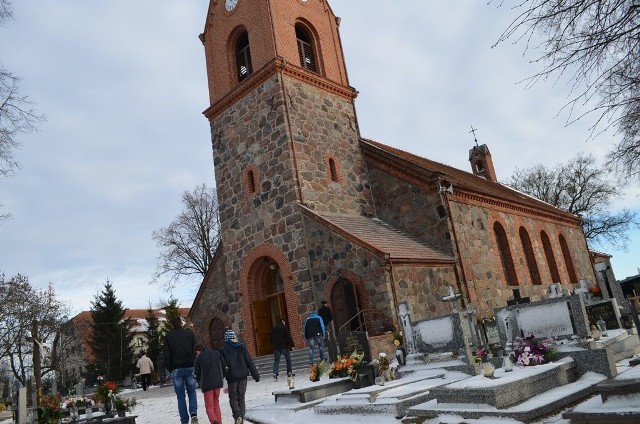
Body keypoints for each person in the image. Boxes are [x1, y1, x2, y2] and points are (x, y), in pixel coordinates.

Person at [220, 328, 260, 424]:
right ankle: (240, 418)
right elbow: (249, 362)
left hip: (232, 377)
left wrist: (223, 376)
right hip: (243, 377)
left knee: (233, 398)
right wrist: (256, 375)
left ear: (226, 339)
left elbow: (222, 365)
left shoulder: (223, 350)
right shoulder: (242, 347)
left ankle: (237, 416)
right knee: (241, 397)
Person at [164, 316, 199, 424]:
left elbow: (166, 354)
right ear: (181, 323)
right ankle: (193, 413)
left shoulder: (168, 337)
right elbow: (196, 349)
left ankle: (184, 420)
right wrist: (194, 362)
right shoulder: (189, 334)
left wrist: (170, 368)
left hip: (176, 368)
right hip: (190, 366)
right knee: (192, 392)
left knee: (180, 396)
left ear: (172, 325)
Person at [194, 343, 227, 424]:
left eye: (196, 353)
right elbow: (223, 365)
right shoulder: (216, 353)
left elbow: (197, 373)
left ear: (198, 351)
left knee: (209, 406)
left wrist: (199, 382)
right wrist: (222, 376)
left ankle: (214, 421)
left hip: (207, 385)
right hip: (217, 383)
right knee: (216, 403)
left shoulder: (199, 359)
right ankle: (219, 422)